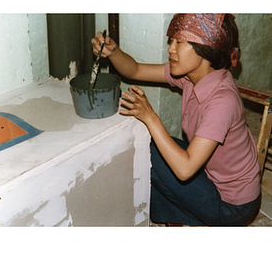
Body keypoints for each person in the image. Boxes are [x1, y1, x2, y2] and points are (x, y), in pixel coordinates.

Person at [91, 14, 261, 226]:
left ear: (206, 51)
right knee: (152, 150)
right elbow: (134, 70)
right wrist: (114, 53)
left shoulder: (222, 100)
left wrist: (150, 117)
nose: (171, 49)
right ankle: (184, 216)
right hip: (210, 177)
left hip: (233, 207)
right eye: (171, 41)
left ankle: (199, 220)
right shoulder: (191, 77)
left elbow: (185, 169)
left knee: (152, 153)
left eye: (179, 43)